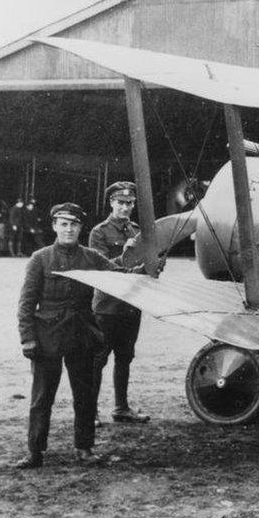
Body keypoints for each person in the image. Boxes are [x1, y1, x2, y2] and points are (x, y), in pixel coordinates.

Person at [14, 203, 137, 469]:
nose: (69, 229)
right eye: (64, 224)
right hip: (47, 340)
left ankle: (84, 447)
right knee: (41, 398)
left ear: (81, 228)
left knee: (85, 395)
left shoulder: (90, 257)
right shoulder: (40, 258)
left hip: (82, 336)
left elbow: (120, 276)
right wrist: (28, 339)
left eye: (74, 224)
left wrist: (147, 270)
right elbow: (26, 304)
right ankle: (35, 452)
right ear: (55, 226)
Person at [89, 181, 151, 424]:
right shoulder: (100, 232)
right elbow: (100, 266)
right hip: (107, 306)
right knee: (99, 359)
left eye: (130, 203)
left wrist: (151, 266)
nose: (125, 208)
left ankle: (121, 408)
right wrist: (125, 254)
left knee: (125, 357)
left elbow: (144, 265)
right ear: (112, 203)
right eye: (121, 203)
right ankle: (90, 411)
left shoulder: (137, 230)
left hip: (131, 304)